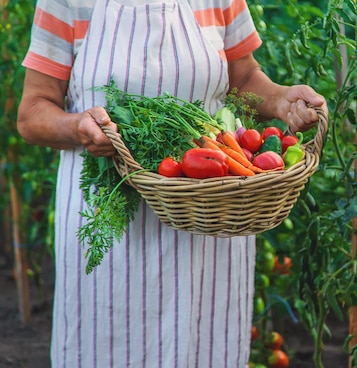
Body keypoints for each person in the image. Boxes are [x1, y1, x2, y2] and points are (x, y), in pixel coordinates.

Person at [16, 0, 327, 367]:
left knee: (205, 347)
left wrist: (281, 100)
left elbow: (243, 79)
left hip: (212, 211)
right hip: (110, 216)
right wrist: (76, 127)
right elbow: (32, 113)